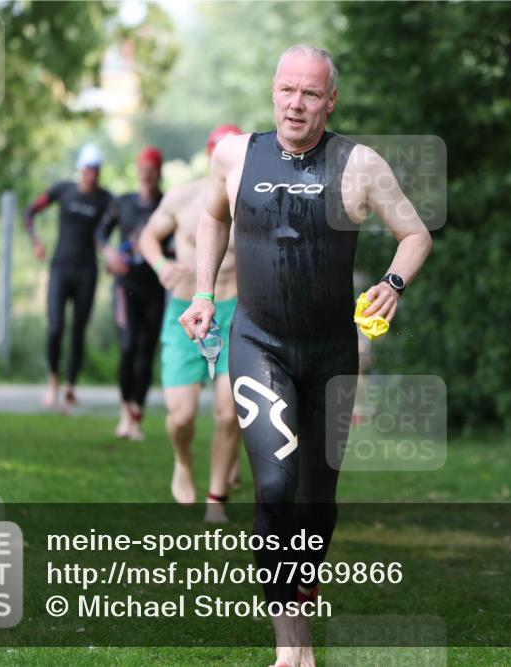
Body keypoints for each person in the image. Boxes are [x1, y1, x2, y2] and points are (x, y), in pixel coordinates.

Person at [179, 45, 432, 667]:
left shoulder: (359, 164)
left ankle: (302, 581)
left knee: (318, 503)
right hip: (258, 343)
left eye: (311, 94)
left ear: (331, 100)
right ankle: (292, 649)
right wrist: (205, 292)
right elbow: (214, 215)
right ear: (273, 91)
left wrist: (392, 285)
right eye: (287, 90)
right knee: (274, 483)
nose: (296, 103)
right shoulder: (236, 154)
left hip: (330, 354)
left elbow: (416, 233)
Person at [138, 125, 245, 523]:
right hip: (185, 310)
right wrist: (162, 264)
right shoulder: (184, 197)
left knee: (229, 411)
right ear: (211, 155)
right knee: (181, 416)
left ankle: (216, 498)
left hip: (235, 309)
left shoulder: (253, 200)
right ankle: (182, 462)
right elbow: (148, 236)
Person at [24, 142, 113, 412]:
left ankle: (71, 388)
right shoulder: (63, 190)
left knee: (78, 332)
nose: (92, 174)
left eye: (96, 170)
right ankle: (53, 382)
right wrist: (36, 241)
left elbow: (111, 229)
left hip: (87, 272)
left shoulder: (106, 199)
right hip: (60, 269)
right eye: (88, 169)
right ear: (80, 169)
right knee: (55, 328)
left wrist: (110, 253)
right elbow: (29, 212)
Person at [95, 146, 166, 440]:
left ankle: (137, 414)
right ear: (138, 172)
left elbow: (176, 243)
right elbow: (100, 233)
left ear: (158, 173)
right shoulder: (121, 203)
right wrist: (110, 253)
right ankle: (125, 412)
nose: (147, 176)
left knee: (146, 353)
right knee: (127, 348)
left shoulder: (166, 204)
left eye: (152, 171)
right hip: (126, 287)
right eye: (143, 171)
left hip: (154, 288)